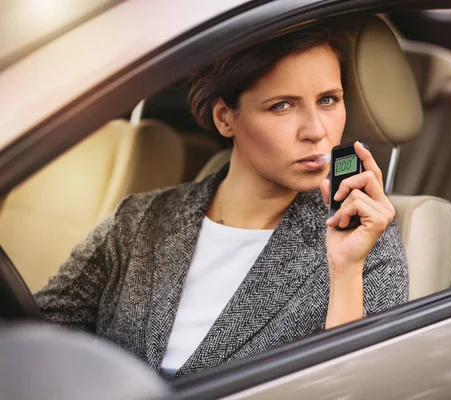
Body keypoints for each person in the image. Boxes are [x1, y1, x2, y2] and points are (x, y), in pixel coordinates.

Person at [34, 25, 408, 378]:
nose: (316, 131)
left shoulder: (366, 244)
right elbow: (32, 333)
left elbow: (355, 388)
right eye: (282, 105)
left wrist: (344, 271)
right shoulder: (138, 221)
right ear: (225, 118)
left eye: (328, 100)